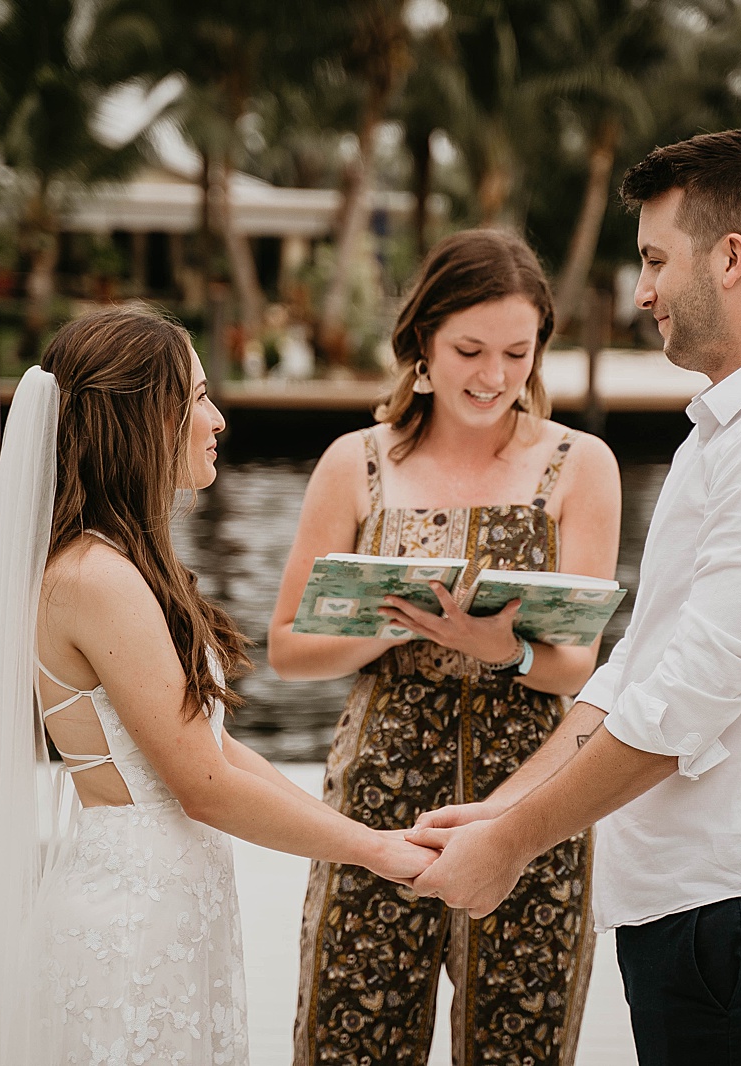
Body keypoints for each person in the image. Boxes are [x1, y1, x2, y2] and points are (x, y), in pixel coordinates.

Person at [407, 131, 741, 1066]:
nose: (644, 291)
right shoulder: (724, 436)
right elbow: (636, 671)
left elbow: (692, 696)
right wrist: (499, 810)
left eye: (657, 259)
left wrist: (514, 844)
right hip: (689, 906)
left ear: (732, 258)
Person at [0, 307, 436, 1066]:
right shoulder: (94, 576)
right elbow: (201, 785)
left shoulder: (118, 561)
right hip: (130, 927)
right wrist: (375, 855)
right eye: (197, 398)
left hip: (173, 909)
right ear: (141, 418)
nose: (217, 419)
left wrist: (367, 836)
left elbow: (219, 751)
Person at [267, 230, 622, 1066]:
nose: (492, 376)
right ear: (423, 339)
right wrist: (394, 624)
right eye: (469, 349)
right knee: (349, 1040)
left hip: (530, 804)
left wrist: (499, 647)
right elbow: (287, 647)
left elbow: (579, 666)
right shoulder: (355, 462)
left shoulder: (581, 465)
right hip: (377, 794)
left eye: (515, 352)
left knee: (520, 1049)